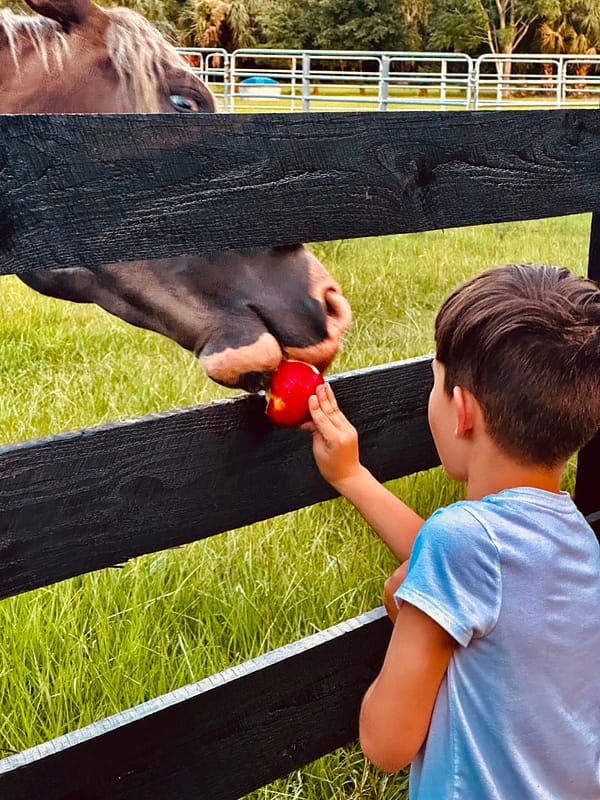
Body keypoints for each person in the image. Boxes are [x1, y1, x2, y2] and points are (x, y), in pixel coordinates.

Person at [303, 263, 600, 799]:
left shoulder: (460, 543)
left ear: (461, 411)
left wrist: (408, 614)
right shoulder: (576, 536)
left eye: (435, 384)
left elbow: (384, 745)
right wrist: (352, 476)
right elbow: (475, 563)